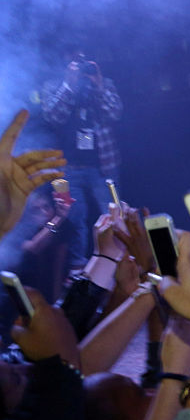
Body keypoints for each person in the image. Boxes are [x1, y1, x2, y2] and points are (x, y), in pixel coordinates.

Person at [41, 52, 122, 270]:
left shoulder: (104, 84)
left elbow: (115, 113)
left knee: (112, 217)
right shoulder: (54, 86)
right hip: (69, 168)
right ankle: (78, 269)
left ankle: (118, 265)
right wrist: (69, 84)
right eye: (75, 62)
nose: (81, 67)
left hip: (103, 166)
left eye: (84, 62)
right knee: (75, 221)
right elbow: (53, 116)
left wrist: (99, 84)